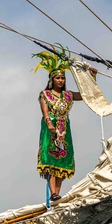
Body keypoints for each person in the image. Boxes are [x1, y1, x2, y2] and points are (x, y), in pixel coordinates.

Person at [33, 50, 95, 204]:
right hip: (51, 129)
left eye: (62, 78)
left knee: (62, 160)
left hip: (64, 129)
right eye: (57, 78)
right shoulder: (45, 94)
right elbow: (45, 111)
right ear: (52, 79)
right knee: (51, 160)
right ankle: (53, 192)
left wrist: (92, 77)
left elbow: (84, 95)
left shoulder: (68, 95)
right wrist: (49, 124)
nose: (60, 80)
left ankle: (57, 194)